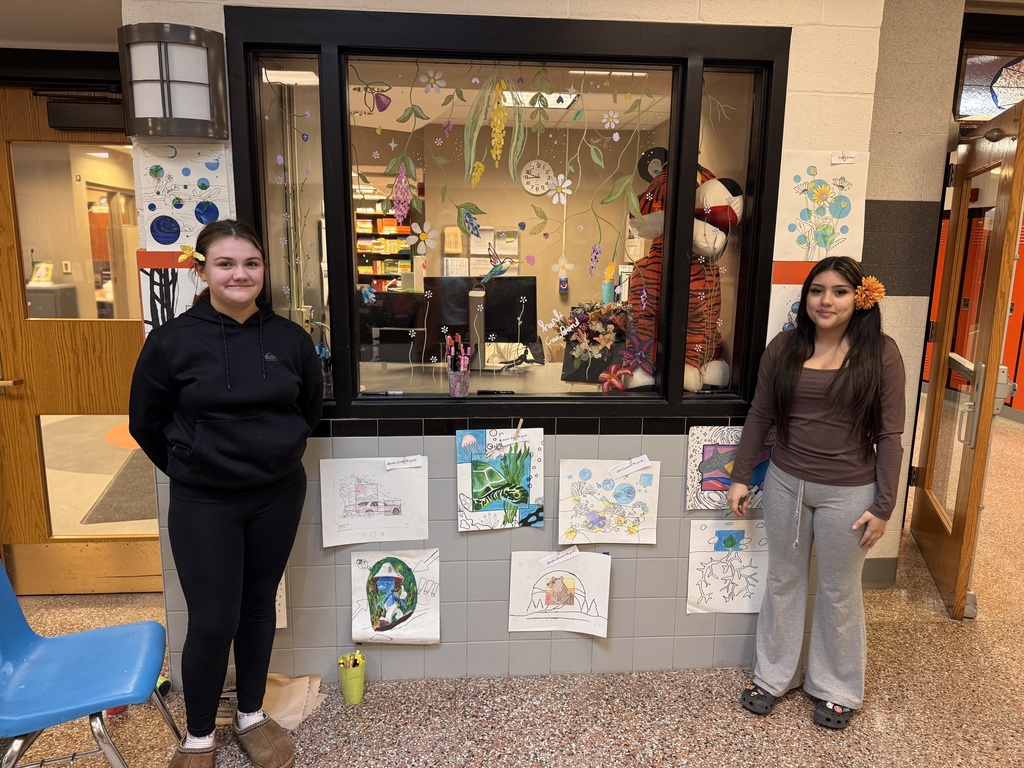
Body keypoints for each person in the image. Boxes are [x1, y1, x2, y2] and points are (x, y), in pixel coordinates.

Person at [129, 220, 323, 768]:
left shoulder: (290, 340)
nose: (240, 274)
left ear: (263, 271)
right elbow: (145, 421)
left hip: (277, 495)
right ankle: (197, 736)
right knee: (213, 618)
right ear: (203, 270)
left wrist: (276, 454)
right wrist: (195, 466)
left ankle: (251, 715)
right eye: (226, 264)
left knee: (259, 607)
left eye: (251, 264)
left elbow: (308, 409)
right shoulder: (171, 341)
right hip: (204, 501)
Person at [726, 256, 905, 731]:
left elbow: (889, 437)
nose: (826, 301)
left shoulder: (881, 353)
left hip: (850, 493)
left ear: (860, 298)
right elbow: (760, 416)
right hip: (785, 483)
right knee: (783, 581)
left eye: (840, 291)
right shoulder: (783, 347)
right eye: (817, 290)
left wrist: (883, 506)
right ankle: (772, 676)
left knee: (839, 591)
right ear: (805, 298)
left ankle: (837, 688)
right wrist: (742, 476)